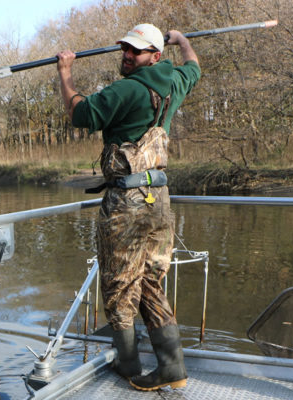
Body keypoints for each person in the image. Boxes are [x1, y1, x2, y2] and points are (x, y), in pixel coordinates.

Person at [57, 23, 200, 391]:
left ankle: (128, 364)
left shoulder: (126, 89)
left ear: (154, 55)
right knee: (150, 281)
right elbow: (194, 66)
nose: (127, 55)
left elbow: (80, 114)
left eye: (136, 51)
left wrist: (65, 73)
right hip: (159, 201)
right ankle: (173, 368)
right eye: (125, 48)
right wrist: (182, 39)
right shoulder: (175, 82)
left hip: (127, 201)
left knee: (119, 285)